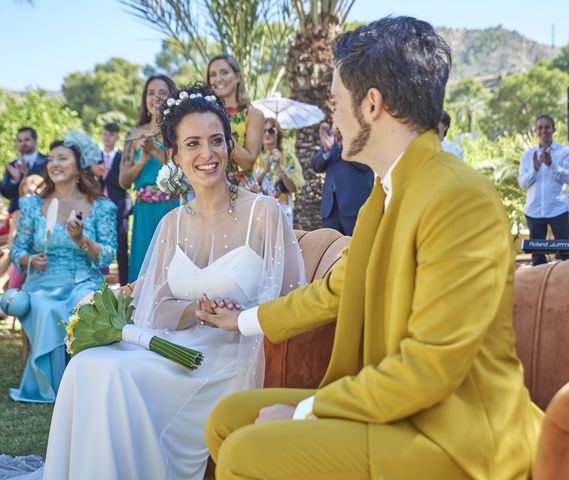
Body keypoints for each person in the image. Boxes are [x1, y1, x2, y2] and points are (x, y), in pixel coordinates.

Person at [203, 17, 542, 480]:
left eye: (336, 103)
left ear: (372, 104)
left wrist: (307, 412)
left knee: (244, 453)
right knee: (228, 418)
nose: (333, 118)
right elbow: (335, 290)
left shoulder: (458, 196)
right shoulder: (382, 196)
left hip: (455, 436)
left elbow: (430, 368)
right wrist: (241, 320)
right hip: (396, 408)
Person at [39, 84, 305, 480]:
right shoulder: (172, 223)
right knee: (87, 365)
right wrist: (194, 312)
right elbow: (155, 309)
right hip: (177, 347)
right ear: (175, 156)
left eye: (216, 140)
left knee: (118, 375)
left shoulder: (264, 213)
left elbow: (290, 301)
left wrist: (241, 316)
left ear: (230, 146)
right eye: (192, 143)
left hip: (229, 359)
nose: (207, 154)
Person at [8, 132, 117, 403]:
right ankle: (50, 387)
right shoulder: (32, 205)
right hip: (42, 282)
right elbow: (17, 250)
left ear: (79, 167)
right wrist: (31, 261)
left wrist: (81, 240)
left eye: (63, 158)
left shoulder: (101, 207)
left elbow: (106, 256)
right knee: (46, 307)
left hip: (84, 280)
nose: (54, 163)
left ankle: (84, 384)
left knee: (83, 304)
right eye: (51, 158)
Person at [119, 75, 179, 282]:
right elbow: (123, 181)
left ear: (171, 96)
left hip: (172, 206)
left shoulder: (178, 131)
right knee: (143, 269)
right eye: (151, 93)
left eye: (163, 92)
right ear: (145, 99)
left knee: (171, 267)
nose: (156, 98)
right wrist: (142, 161)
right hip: (144, 210)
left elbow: (183, 170)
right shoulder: (134, 135)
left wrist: (156, 151)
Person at [518, 114, 569, 266]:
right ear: (536, 131)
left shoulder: (564, 152)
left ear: (554, 130)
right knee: (538, 259)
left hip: (558, 209)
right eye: (540, 128)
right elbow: (522, 184)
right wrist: (534, 170)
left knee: (566, 256)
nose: (544, 131)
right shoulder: (527, 156)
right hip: (534, 211)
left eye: (547, 127)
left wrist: (551, 165)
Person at [207, 54, 264, 193]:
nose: (218, 79)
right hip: (211, 190)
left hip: (242, 191)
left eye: (224, 72)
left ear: (238, 77)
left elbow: (247, 162)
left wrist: (220, 133)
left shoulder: (253, 114)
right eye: (213, 75)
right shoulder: (204, 115)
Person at [310, 122, 373, 235]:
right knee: (331, 248)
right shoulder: (330, 135)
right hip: (331, 207)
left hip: (354, 205)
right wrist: (327, 151)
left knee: (355, 248)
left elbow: (366, 165)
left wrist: (342, 144)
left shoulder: (363, 131)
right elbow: (316, 166)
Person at [91, 122, 132, 286]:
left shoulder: (123, 157)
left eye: (111, 134)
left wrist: (105, 173)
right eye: (105, 134)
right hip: (98, 210)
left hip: (119, 208)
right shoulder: (95, 157)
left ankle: (125, 288)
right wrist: (95, 175)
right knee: (98, 248)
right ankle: (99, 287)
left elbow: (124, 183)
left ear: (116, 137)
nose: (107, 138)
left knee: (121, 250)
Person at [255, 117, 305, 225]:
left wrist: (279, 166)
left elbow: (292, 188)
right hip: (260, 214)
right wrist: (265, 171)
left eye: (271, 130)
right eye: (264, 130)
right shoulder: (255, 157)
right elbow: (249, 186)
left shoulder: (288, 158)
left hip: (282, 214)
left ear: (278, 133)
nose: (267, 134)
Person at [1, 128, 48, 214]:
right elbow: (6, 194)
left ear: (35, 140)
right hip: (16, 214)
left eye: (27, 140)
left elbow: (47, 188)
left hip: (40, 212)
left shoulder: (47, 162)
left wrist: (27, 174)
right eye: (20, 140)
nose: (23, 143)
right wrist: (15, 180)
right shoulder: (12, 165)